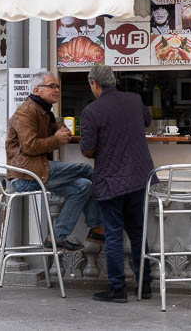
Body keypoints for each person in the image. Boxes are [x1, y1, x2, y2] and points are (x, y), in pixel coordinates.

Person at [5, 71, 104, 251]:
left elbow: (57, 126)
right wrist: (56, 140)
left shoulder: (44, 110)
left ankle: (56, 237)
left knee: (85, 186)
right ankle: (100, 225)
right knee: (85, 169)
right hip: (25, 176)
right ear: (36, 90)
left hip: (36, 171)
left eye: (57, 86)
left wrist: (59, 126)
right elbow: (29, 146)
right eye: (51, 86)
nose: (57, 89)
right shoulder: (26, 111)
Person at [80, 65, 153, 303]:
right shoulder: (134, 99)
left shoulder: (92, 111)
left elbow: (88, 150)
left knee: (113, 234)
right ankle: (145, 286)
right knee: (138, 232)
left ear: (94, 84)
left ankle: (117, 289)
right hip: (139, 177)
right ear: (113, 80)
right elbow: (147, 120)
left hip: (110, 180)